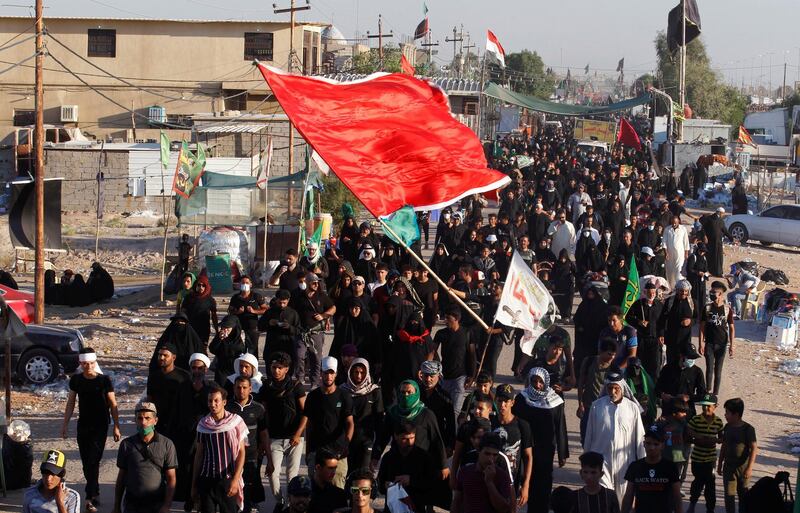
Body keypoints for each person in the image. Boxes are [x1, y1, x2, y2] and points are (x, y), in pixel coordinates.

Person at [61, 348, 121, 513]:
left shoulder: (104, 381)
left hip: (100, 426)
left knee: (93, 460)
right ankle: (95, 490)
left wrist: (116, 426)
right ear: (81, 364)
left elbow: (113, 404)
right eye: (85, 364)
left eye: (91, 363)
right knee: (87, 462)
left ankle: (89, 497)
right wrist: (65, 424)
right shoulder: (76, 380)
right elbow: (71, 402)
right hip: (84, 425)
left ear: (95, 363)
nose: (88, 366)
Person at [583, 372, 646, 503]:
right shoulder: (596, 406)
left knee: (622, 499)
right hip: (601, 461)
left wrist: (643, 463)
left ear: (622, 388)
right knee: (602, 497)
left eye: (616, 388)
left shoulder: (632, 408)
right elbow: (589, 435)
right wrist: (586, 461)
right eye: (610, 388)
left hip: (625, 463)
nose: (613, 391)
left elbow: (640, 438)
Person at [145, 343, 194, 505]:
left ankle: (183, 495)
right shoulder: (154, 376)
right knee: (157, 462)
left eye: (165, 355)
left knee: (180, 462)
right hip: (159, 426)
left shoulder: (184, 376)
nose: (161, 358)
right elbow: (150, 400)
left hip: (179, 426)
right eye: (159, 355)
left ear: (173, 357)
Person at [258, 352, 306, 509]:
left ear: (287, 369)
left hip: (295, 439)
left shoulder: (296, 386)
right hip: (274, 438)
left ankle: (290, 506)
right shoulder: (266, 387)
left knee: (292, 476)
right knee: (272, 473)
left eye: (279, 368)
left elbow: (306, 413)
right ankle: (281, 502)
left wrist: (298, 434)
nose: (276, 371)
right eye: (273, 367)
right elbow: (262, 414)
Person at [297, 356, 354, 486]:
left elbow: (350, 423)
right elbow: (308, 422)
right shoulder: (312, 396)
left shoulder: (344, 396)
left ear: (336, 374)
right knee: (316, 491)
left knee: (338, 490)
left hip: (338, 452)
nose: (328, 376)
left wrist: (346, 444)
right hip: (316, 451)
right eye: (326, 372)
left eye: (331, 373)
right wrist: (309, 451)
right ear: (321, 373)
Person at [191, 385, 249, 513]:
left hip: (227, 480)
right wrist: (194, 485)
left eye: (216, 400)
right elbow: (199, 455)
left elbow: (241, 453)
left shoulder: (235, 422)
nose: (213, 404)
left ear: (224, 402)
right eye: (210, 401)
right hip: (206, 480)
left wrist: (235, 480)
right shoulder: (203, 425)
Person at [512, 367, 562, 513]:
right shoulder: (522, 399)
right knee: (525, 481)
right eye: (534, 381)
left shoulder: (555, 400)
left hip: (546, 450)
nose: (537, 385)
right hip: (526, 448)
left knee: (543, 485)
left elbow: (560, 426)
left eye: (541, 382)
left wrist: (562, 453)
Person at [112, 401, 177, 513]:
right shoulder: (127, 444)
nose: (144, 422)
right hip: (132, 506)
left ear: (155, 421)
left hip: (156, 505)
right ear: (135, 420)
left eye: (148, 418)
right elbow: (121, 478)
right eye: (140, 418)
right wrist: (117, 506)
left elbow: (171, 478)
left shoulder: (167, 444)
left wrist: (167, 505)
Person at [227, 376, 273, 513]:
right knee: (231, 493)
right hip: (230, 458)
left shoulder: (258, 409)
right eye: (238, 387)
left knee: (247, 493)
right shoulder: (227, 408)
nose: (241, 390)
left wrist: (269, 460)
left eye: (244, 387)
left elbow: (264, 435)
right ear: (233, 388)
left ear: (250, 389)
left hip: (251, 457)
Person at [620, 424, 682, 513]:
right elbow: (628, 496)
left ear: (662, 446)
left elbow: (677, 497)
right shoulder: (635, 466)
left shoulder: (670, 467)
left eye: (656, 444)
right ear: (644, 444)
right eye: (648, 443)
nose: (651, 448)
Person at [377, 422, 436, 512]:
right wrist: (387, 485)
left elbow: (431, 484)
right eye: (404, 439)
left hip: (416, 508)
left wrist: (411, 481)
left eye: (412, 438)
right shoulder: (388, 457)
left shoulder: (424, 457)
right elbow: (380, 485)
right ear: (396, 436)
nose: (409, 442)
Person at [451, 432, 515, 513]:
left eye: (495, 455)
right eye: (487, 454)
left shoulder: (502, 476)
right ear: (478, 452)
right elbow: (457, 501)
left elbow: (504, 508)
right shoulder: (465, 472)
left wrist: (490, 483)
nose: (490, 459)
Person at [492, 383, 533, 508]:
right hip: (490, 478)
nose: (502, 405)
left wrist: (525, 486)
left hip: (511, 481)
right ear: (495, 400)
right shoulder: (490, 423)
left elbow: (528, 457)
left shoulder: (522, 426)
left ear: (512, 403)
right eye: (499, 401)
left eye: (506, 401)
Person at [293, 273, 336, 386]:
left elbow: (333, 308)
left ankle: (315, 383)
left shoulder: (321, 296)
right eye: (314, 283)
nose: (316, 285)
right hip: (302, 332)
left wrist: (324, 316)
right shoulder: (299, 296)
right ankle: (300, 380)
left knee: (316, 359)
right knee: (299, 355)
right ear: (307, 283)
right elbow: (291, 310)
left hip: (316, 332)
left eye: (317, 283)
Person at [341, 358, 384, 471]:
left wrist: (377, 450)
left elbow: (379, 421)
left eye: (362, 373)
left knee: (363, 475)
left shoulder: (374, 391)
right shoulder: (343, 391)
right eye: (356, 372)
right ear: (351, 372)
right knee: (347, 475)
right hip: (347, 441)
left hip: (367, 441)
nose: (359, 376)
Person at [434, 308, 477, 417]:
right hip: (444, 378)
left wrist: (472, 375)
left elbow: (472, 355)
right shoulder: (441, 333)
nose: (445, 321)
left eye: (448, 318)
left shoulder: (467, 333)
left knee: (455, 412)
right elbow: (432, 351)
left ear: (456, 319)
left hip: (460, 378)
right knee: (443, 411)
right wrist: (436, 368)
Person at [718, 398, 758, 513]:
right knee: (729, 496)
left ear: (736, 414)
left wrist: (749, 469)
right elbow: (724, 446)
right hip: (729, 468)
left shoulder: (748, 429)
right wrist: (720, 463)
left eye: (727, 413)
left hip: (743, 468)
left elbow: (754, 448)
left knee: (743, 496)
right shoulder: (727, 427)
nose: (725, 415)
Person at [686, 393, 724, 513]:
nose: (705, 408)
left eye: (708, 406)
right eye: (703, 406)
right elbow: (689, 431)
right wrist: (699, 438)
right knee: (698, 482)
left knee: (710, 485)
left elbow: (722, 438)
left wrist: (714, 440)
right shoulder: (696, 419)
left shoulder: (718, 422)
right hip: (697, 458)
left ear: (715, 406)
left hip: (710, 459)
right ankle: (692, 504)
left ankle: (710, 509)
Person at [576, 338, 617, 444]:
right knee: (585, 438)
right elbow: (581, 383)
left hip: (605, 408)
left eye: (613, 355)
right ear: (600, 352)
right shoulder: (589, 361)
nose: (611, 357)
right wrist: (580, 404)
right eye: (609, 354)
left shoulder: (614, 368)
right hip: (588, 406)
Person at [698, 281, 735, 395]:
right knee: (709, 369)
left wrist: (732, 346)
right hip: (709, 343)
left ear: (720, 294)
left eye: (714, 292)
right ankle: (708, 391)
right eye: (711, 291)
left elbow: (732, 328)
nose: (712, 294)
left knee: (718, 370)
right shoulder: (707, 308)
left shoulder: (727, 309)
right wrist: (701, 343)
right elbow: (702, 327)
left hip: (722, 344)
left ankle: (715, 394)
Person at [625, 282, 665, 381]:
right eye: (649, 292)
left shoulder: (659, 305)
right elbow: (628, 317)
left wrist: (661, 335)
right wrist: (638, 322)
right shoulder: (639, 304)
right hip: (642, 339)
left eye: (653, 293)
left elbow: (663, 322)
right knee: (641, 364)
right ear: (645, 292)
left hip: (655, 340)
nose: (651, 295)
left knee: (655, 365)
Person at [417, 360, 457, 456]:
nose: (428, 379)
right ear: (421, 375)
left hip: (437, 439)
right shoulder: (415, 393)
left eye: (432, 376)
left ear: (438, 376)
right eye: (426, 375)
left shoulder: (444, 397)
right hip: (417, 439)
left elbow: (451, 423)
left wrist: (450, 445)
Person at [655, 344, 706, 418]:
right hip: (669, 411)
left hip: (687, 412)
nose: (692, 360)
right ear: (681, 356)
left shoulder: (697, 372)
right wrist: (662, 395)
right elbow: (657, 389)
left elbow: (702, 394)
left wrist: (689, 397)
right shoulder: (668, 369)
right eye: (690, 357)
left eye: (694, 358)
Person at [259, 289, 301, 367]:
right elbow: (260, 326)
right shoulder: (270, 312)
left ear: (288, 300)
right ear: (276, 300)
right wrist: (269, 323)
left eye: (284, 303)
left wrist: (289, 327)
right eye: (280, 302)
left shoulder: (293, 313)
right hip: (271, 347)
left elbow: (298, 331)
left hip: (287, 347)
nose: (282, 305)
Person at [573, 286, 609, 375]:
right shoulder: (583, 304)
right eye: (589, 294)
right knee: (581, 358)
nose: (590, 296)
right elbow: (576, 318)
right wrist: (580, 326)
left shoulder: (601, 305)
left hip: (595, 337)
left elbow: (605, 320)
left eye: (592, 294)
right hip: (584, 337)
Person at [229, 275, 268, 356]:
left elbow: (265, 309)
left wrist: (254, 311)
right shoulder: (235, 297)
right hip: (238, 328)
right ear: (239, 284)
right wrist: (238, 312)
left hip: (252, 328)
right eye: (243, 283)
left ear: (251, 284)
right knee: (238, 350)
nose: (245, 284)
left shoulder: (256, 296)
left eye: (247, 283)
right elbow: (230, 311)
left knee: (252, 351)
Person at [660, 281, 695, 366]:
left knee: (684, 364)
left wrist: (690, 321)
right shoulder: (669, 301)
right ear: (677, 290)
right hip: (671, 338)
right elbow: (662, 319)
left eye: (686, 291)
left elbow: (697, 318)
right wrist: (661, 334)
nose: (683, 293)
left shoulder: (692, 303)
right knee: (671, 364)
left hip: (685, 339)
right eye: (681, 290)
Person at [180, 275, 218, 346]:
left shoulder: (210, 300)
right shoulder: (188, 298)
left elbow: (214, 316)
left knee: (203, 349)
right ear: (195, 285)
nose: (201, 287)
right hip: (191, 328)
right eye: (199, 285)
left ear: (206, 287)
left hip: (204, 329)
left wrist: (216, 330)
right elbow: (183, 311)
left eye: (203, 285)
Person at [208, 315, 246, 385]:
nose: (225, 329)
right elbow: (212, 349)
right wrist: (219, 339)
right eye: (223, 326)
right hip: (222, 369)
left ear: (234, 327)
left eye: (228, 327)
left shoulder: (242, 337)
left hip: (236, 370)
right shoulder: (220, 335)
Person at [701, 208, 731, 277]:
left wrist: (731, 238)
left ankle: (718, 272)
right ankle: (708, 271)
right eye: (723, 213)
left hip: (718, 242)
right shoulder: (709, 219)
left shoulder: (721, 221)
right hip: (710, 242)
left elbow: (725, 230)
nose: (723, 215)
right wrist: (704, 236)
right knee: (710, 256)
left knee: (718, 257)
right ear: (720, 213)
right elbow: (703, 228)